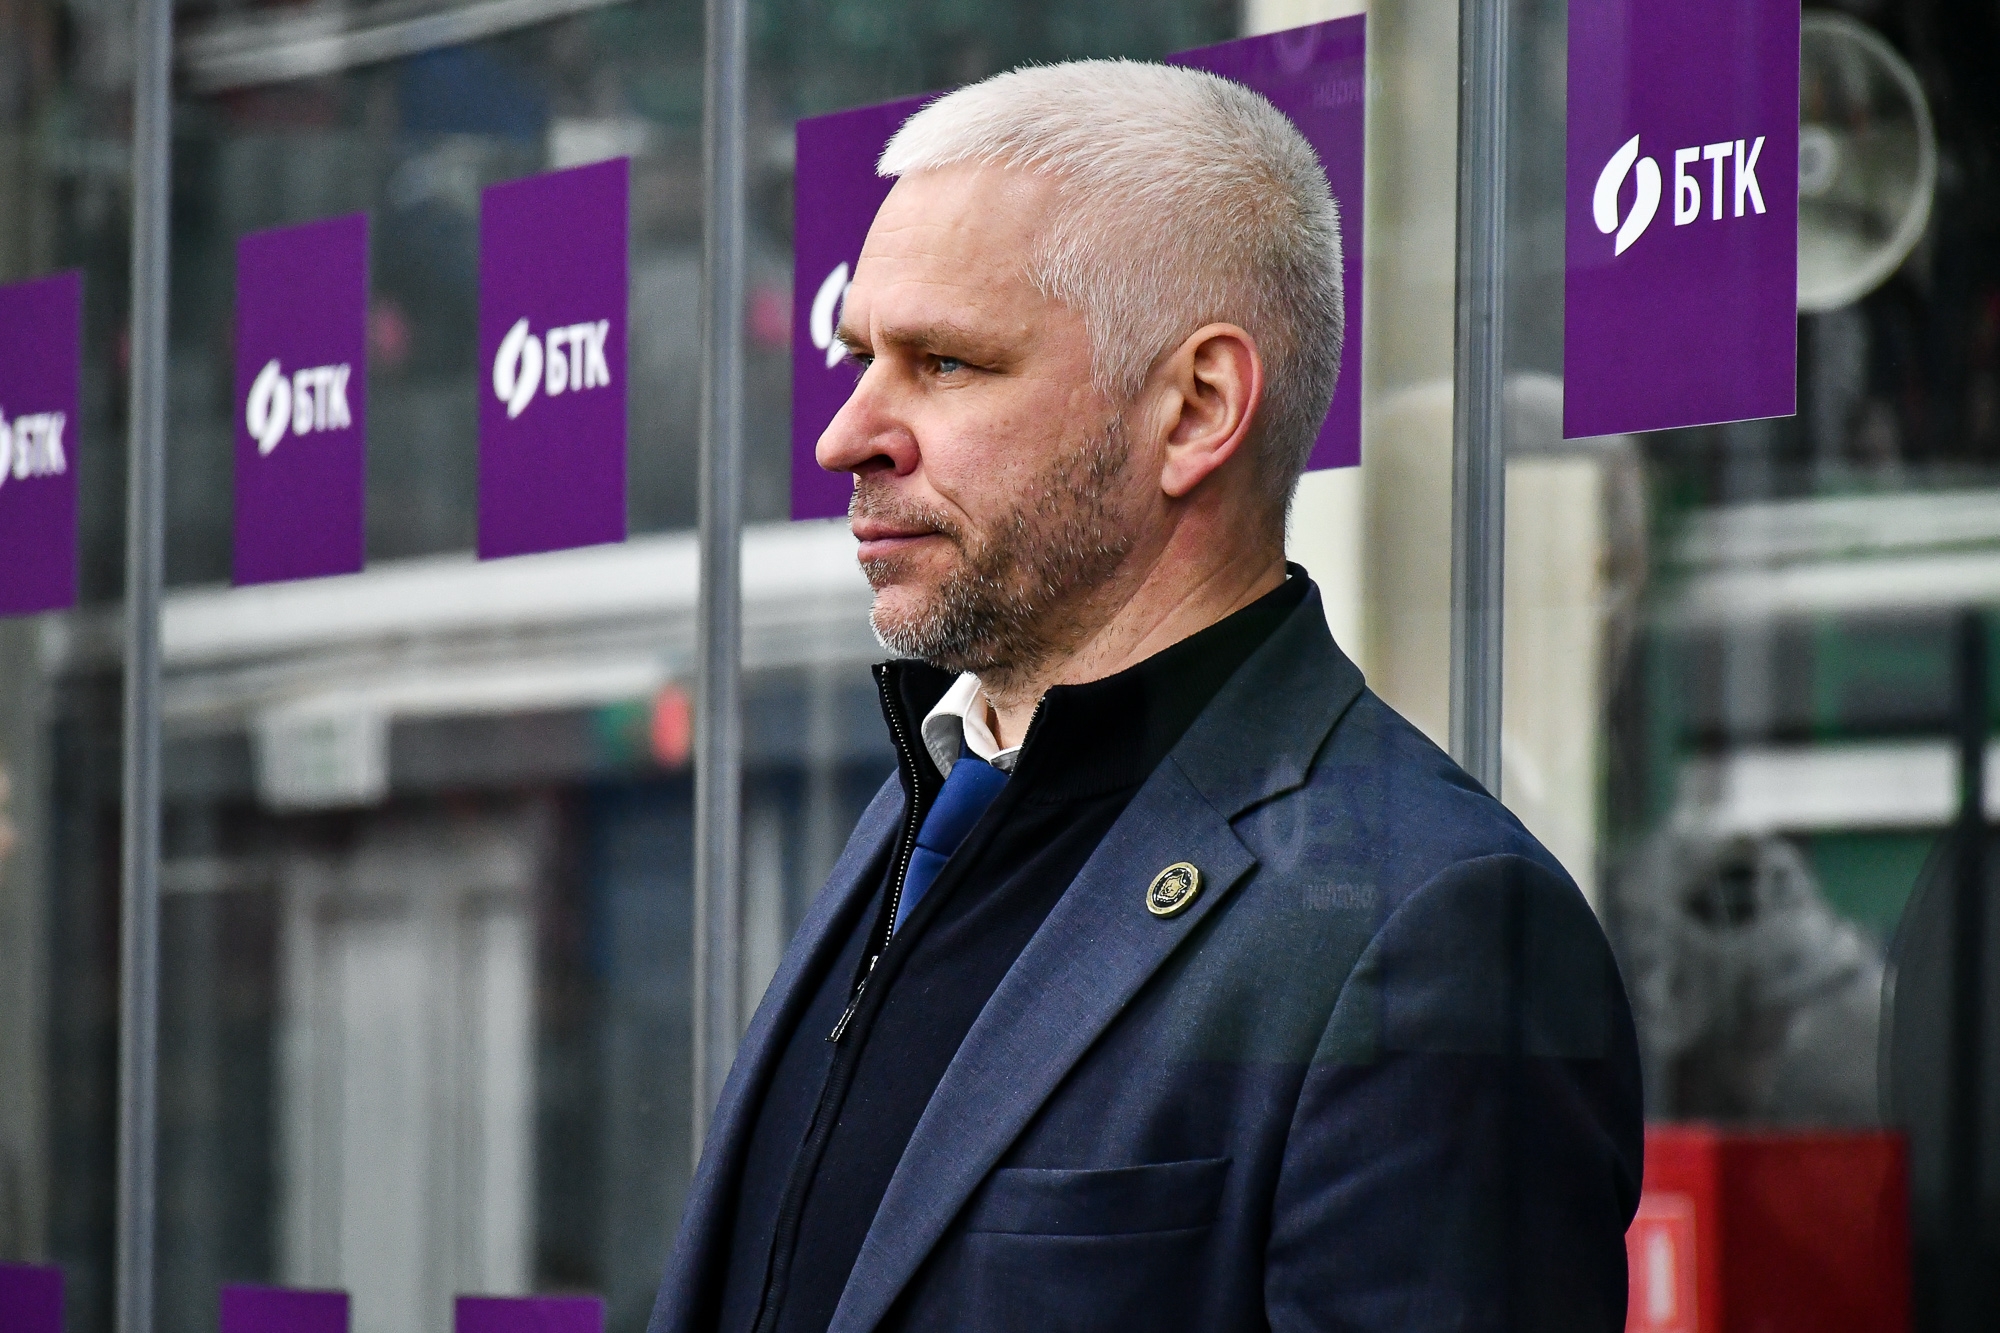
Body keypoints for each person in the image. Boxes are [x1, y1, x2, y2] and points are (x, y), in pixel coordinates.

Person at [650, 59, 1642, 1333]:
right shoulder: (929, 810)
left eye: (943, 362)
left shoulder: (1432, 930)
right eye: (859, 357)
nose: (847, 434)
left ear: (1195, 409)